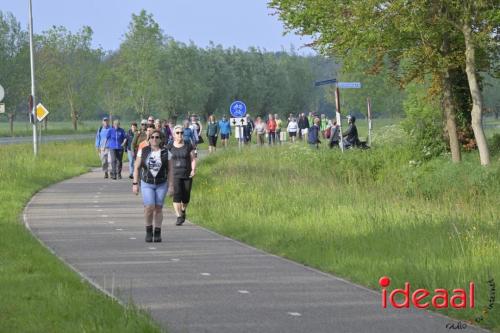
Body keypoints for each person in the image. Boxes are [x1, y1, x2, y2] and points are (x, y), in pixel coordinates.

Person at [132, 129, 169, 242]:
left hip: (161, 183)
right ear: (149, 139)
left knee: (158, 208)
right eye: (152, 137)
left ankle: (157, 232)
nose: (154, 139)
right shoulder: (143, 151)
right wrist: (135, 183)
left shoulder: (166, 152)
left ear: (161, 139)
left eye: (157, 137)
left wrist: (171, 186)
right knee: (149, 207)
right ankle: (148, 230)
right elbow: (136, 167)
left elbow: (171, 170)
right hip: (147, 183)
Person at [167, 125, 196, 226]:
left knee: (186, 197)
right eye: (178, 133)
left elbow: (192, 158)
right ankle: (179, 216)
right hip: (175, 174)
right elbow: (166, 159)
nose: (180, 134)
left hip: (187, 174)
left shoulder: (188, 144)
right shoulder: (170, 145)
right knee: (177, 195)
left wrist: (193, 169)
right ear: (174, 135)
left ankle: (183, 210)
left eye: (181, 133)